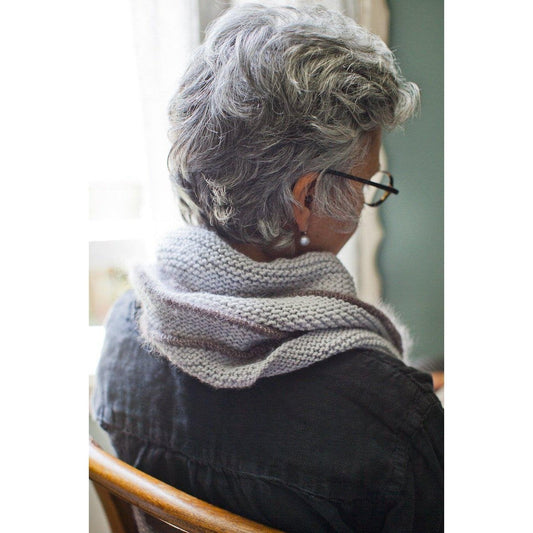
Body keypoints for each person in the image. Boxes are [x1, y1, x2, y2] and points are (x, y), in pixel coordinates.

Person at [93, 4, 443, 532]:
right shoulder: (391, 414)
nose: (368, 199)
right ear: (307, 198)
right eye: (368, 182)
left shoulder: (127, 329)